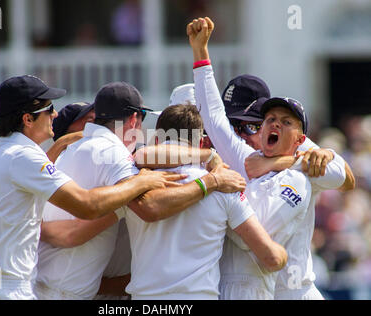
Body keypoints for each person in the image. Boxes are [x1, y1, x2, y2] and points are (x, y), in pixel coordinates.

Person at [0, 75, 183, 300]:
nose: (55, 114)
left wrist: (61, 144)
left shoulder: (0, 151)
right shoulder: (23, 156)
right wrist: (141, 182)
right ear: (28, 119)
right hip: (4, 291)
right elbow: (86, 205)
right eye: (49, 108)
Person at [188, 17, 353, 299]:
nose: (275, 124)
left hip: (295, 291)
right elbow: (214, 118)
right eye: (270, 119)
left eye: (286, 122)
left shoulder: (302, 174)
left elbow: (343, 176)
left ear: (301, 140)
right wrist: (200, 51)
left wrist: (279, 162)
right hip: (258, 290)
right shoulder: (246, 156)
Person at [35, 81, 246, 300]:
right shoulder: (115, 155)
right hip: (61, 293)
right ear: (134, 119)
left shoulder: (71, 150)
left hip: (44, 283)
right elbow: (150, 207)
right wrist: (210, 179)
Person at [124, 103, 287, 300]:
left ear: (157, 140)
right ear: (201, 143)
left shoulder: (133, 182)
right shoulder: (226, 185)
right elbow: (271, 258)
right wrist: (284, 255)